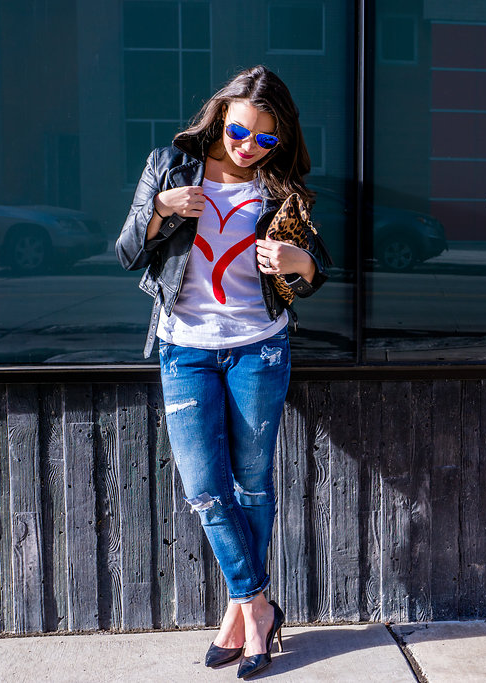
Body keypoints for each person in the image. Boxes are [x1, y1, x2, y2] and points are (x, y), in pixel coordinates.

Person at [116, 65, 321, 679]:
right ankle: (256, 603)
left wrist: (298, 260)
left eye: (265, 138)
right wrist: (161, 208)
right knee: (205, 488)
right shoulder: (170, 168)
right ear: (220, 117)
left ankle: (240, 618)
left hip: (260, 349)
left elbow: (315, 274)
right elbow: (127, 251)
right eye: (240, 131)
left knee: (254, 485)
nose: (248, 147)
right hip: (185, 349)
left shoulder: (282, 187)